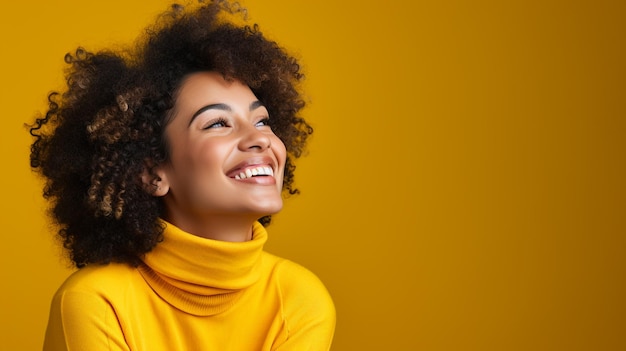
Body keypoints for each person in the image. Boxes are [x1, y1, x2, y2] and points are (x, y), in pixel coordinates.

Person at [28, 1, 336, 350]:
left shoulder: (298, 299)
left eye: (262, 120)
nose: (260, 139)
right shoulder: (96, 302)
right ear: (152, 173)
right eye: (218, 123)